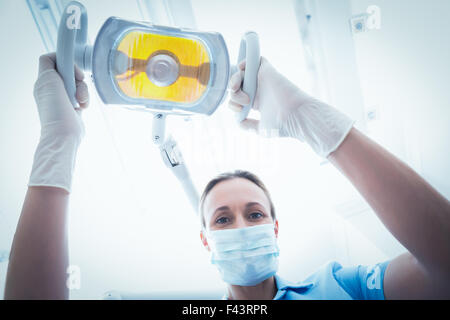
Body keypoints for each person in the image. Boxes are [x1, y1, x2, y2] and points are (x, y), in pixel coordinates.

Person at [4, 53, 450, 300]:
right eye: (221, 219)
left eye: (254, 213)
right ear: (205, 240)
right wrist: (58, 143)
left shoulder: (342, 287)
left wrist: (313, 122)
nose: (240, 225)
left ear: (275, 228)